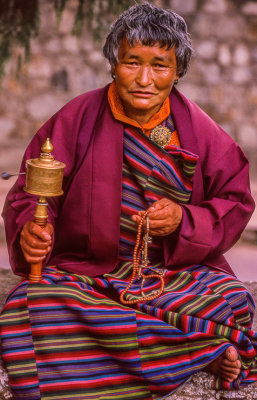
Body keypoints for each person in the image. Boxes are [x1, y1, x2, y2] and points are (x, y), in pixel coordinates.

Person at [1, 3, 257, 399]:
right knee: (28, 306)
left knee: (234, 299)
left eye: (160, 66)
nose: (144, 79)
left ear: (177, 71)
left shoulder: (197, 130)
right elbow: (34, 192)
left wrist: (185, 220)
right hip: (90, 274)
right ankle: (201, 347)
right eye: (131, 62)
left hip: (169, 276)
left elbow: (235, 200)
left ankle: (178, 345)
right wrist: (34, 231)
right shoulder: (77, 118)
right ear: (112, 64)